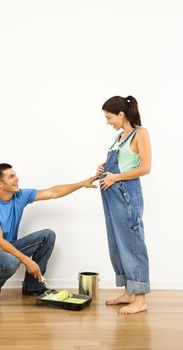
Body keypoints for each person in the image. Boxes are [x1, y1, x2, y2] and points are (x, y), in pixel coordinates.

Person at [0, 163, 97, 301]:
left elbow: (53, 192)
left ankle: (32, 286)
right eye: (11, 176)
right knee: (11, 262)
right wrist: (28, 261)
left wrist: (81, 184)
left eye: (15, 175)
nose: (17, 179)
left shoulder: (19, 195)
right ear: (0, 184)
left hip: (8, 246)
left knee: (47, 235)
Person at [97, 95, 151, 314]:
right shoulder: (120, 136)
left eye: (109, 117)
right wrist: (103, 169)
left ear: (121, 114)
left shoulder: (141, 133)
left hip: (126, 194)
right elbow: (120, 163)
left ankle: (140, 298)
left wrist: (115, 177)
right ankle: (129, 291)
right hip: (110, 195)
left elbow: (145, 168)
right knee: (117, 244)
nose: (107, 122)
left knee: (132, 244)